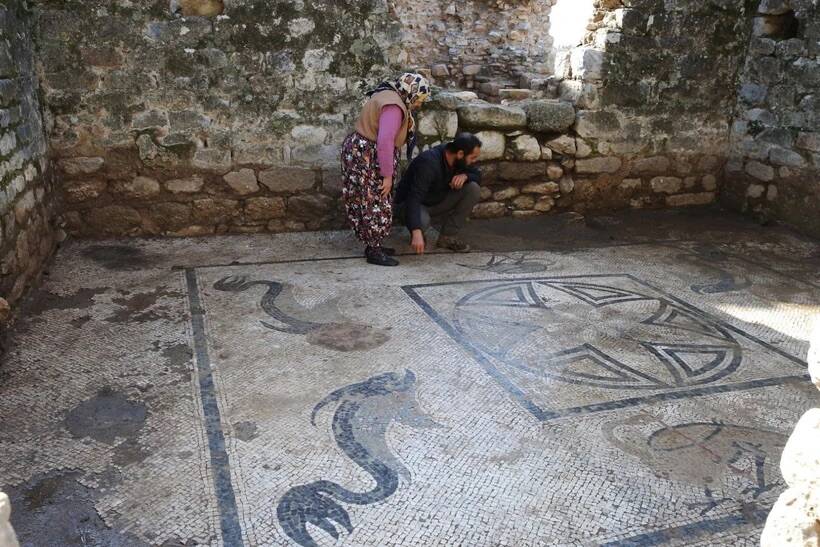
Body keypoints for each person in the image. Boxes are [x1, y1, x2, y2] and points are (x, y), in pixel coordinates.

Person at [341, 73, 431, 267]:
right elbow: (385, 142)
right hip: (368, 156)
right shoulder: (394, 106)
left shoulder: (388, 94)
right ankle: (373, 250)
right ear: (412, 93)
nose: (418, 105)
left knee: (369, 198)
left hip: (363, 152)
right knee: (375, 200)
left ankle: (374, 244)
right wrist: (387, 175)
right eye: (419, 100)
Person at [395, 133, 483, 254]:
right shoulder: (429, 163)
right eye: (472, 158)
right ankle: (418, 232)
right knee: (421, 222)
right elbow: (413, 198)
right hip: (410, 205)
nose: (474, 161)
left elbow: (478, 175)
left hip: (437, 200)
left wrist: (466, 176)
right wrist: (416, 231)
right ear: (460, 154)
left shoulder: (458, 159)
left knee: (473, 188)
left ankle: (447, 237)